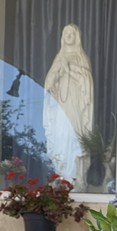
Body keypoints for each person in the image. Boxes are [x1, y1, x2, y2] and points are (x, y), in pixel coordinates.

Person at [43, 23, 93, 188]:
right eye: (66, 33)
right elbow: (48, 83)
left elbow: (86, 83)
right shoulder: (59, 58)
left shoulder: (81, 58)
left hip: (75, 104)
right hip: (60, 105)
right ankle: (61, 174)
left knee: (74, 136)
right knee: (60, 136)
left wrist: (69, 70)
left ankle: (75, 178)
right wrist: (58, 73)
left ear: (77, 37)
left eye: (72, 33)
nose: (69, 36)